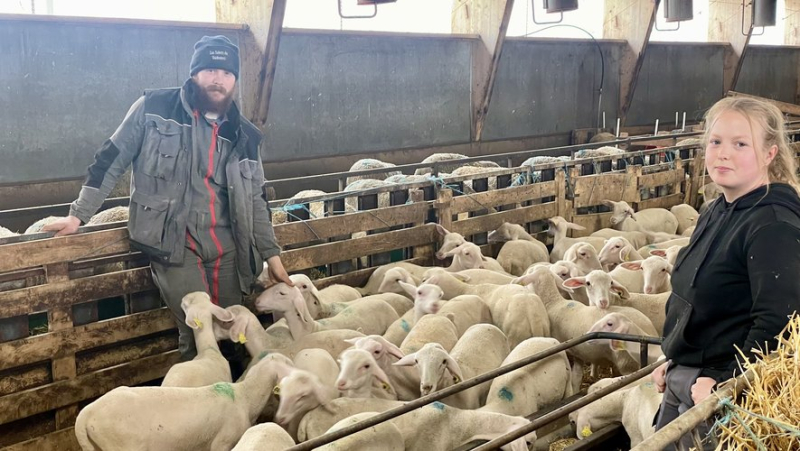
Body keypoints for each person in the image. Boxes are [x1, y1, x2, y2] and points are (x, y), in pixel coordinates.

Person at [44, 35, 293, 361]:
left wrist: (272, 257)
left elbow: (257, 199)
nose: (218, 79)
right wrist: (78, 215)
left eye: (227, 73)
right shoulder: (153, 109)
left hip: (227, 247)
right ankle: (201, 403)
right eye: (209, 70)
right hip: (175, 243)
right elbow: (111, 158)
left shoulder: (244, 134)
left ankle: (233, 405)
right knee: (199, 331)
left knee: (234, 330)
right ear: (194, 74)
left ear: (235, 81)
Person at [652, 96, 800, 449]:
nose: (723, 153)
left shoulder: (773, 226)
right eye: (716, 142)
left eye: (740, 144)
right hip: (687, 379)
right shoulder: (717, 209)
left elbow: (780, 322)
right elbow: (694, 297)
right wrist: (672, 357)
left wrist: (726, 383)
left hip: (723, 400)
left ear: (769, 154)